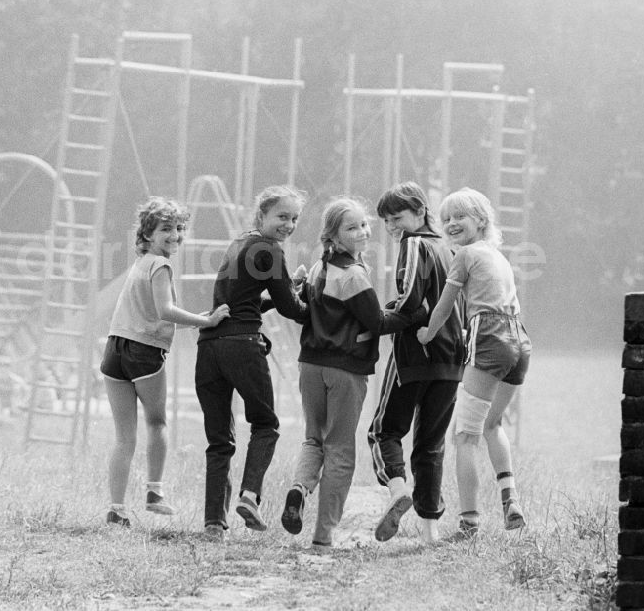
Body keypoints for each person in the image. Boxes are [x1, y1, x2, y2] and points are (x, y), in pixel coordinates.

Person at [281, 197, 426, 552]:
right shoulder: (353, 274)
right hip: (345, 372)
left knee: (314, 439)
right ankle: (323, 535)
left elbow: (308, 315)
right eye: (352, 227)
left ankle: (299, 490)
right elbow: (376, 323)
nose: (362, 232)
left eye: (364, 225)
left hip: (310, 366)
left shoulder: (319, 269)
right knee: (341, 452)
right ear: (333, 235)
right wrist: (415, 311)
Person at [99, 197, 230, 527]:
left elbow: (156, 315)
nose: (174, 235)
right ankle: (154, 492)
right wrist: (209, 322)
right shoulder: (161, 266)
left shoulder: (140, 263)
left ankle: (116, 510)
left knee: (124, 438)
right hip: (143, 353)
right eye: (166, 229)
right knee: (156, 423)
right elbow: (164, 311)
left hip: (115, 350)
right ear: (147, 234)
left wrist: (200, 317)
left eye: (179, 228)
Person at [195, 185, 309, 540]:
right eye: (281, 217)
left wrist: (291, 288)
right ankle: (249, 496)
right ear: (261, 216)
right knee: (266, 424)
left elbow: (249, 303)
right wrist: (315, 299)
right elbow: (292, 309)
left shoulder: (239, 243)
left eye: (294, 219)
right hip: (243, 346)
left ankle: (214, 523)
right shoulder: (271, 249)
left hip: (209, 345)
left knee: (219, 439)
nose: (288, 225)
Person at [417, 187, 531, 536]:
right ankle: (510, 497)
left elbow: (445, 305)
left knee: (464, 436)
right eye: (446, 218)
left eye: (459, 217)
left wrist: (426, 333)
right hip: (520, 342)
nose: (451, 224)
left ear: (481, 220)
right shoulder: (499, 256)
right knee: (492, 424)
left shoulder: (464, 256)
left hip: (490, 339)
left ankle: (469, 522)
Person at [367, 181, 466, 544]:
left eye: (398, 218)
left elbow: (410, 299)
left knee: (383, 430)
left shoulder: (415, 243)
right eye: (387, 222)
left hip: (416, 354)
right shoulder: (450, 248)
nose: (393, 228)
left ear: (421, 211)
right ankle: (430, 532)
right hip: (453, 358)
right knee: (430, 444)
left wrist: (377, 320)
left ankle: (397, 491)